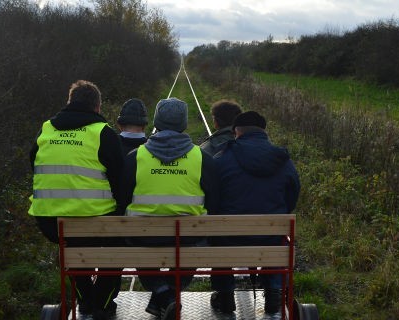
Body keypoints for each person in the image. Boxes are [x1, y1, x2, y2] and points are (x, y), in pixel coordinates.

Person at [28, 80, 123, 320]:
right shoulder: (103, 133)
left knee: (71, 249)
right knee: (119, 249)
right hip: (95, 221)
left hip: (51, 221)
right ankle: (101, 302)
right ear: (98, 107)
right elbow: (120, 179)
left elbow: (34, 165)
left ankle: (86, 300)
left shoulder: (46, 129)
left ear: (69, 102)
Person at [119, 97, 219, 320]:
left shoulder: (135, 158)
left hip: (143, 238)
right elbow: (214, 202)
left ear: (156, 123)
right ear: (183, 124)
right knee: (197, 242)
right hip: (188, 238)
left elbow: (123, 199)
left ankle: (163, 295)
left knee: (134, 241)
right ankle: (169, 294)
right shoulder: (202, 158)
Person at [208, 111, 300, 315]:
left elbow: (212, 198)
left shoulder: (222, 158)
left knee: (216, 236)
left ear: (236, 132)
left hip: (228, 237)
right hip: (269, 235)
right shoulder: (282, 159)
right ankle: (274, 290)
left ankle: (225, 295)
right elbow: (293, 194)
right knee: (277, 241)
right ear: (263, 132)